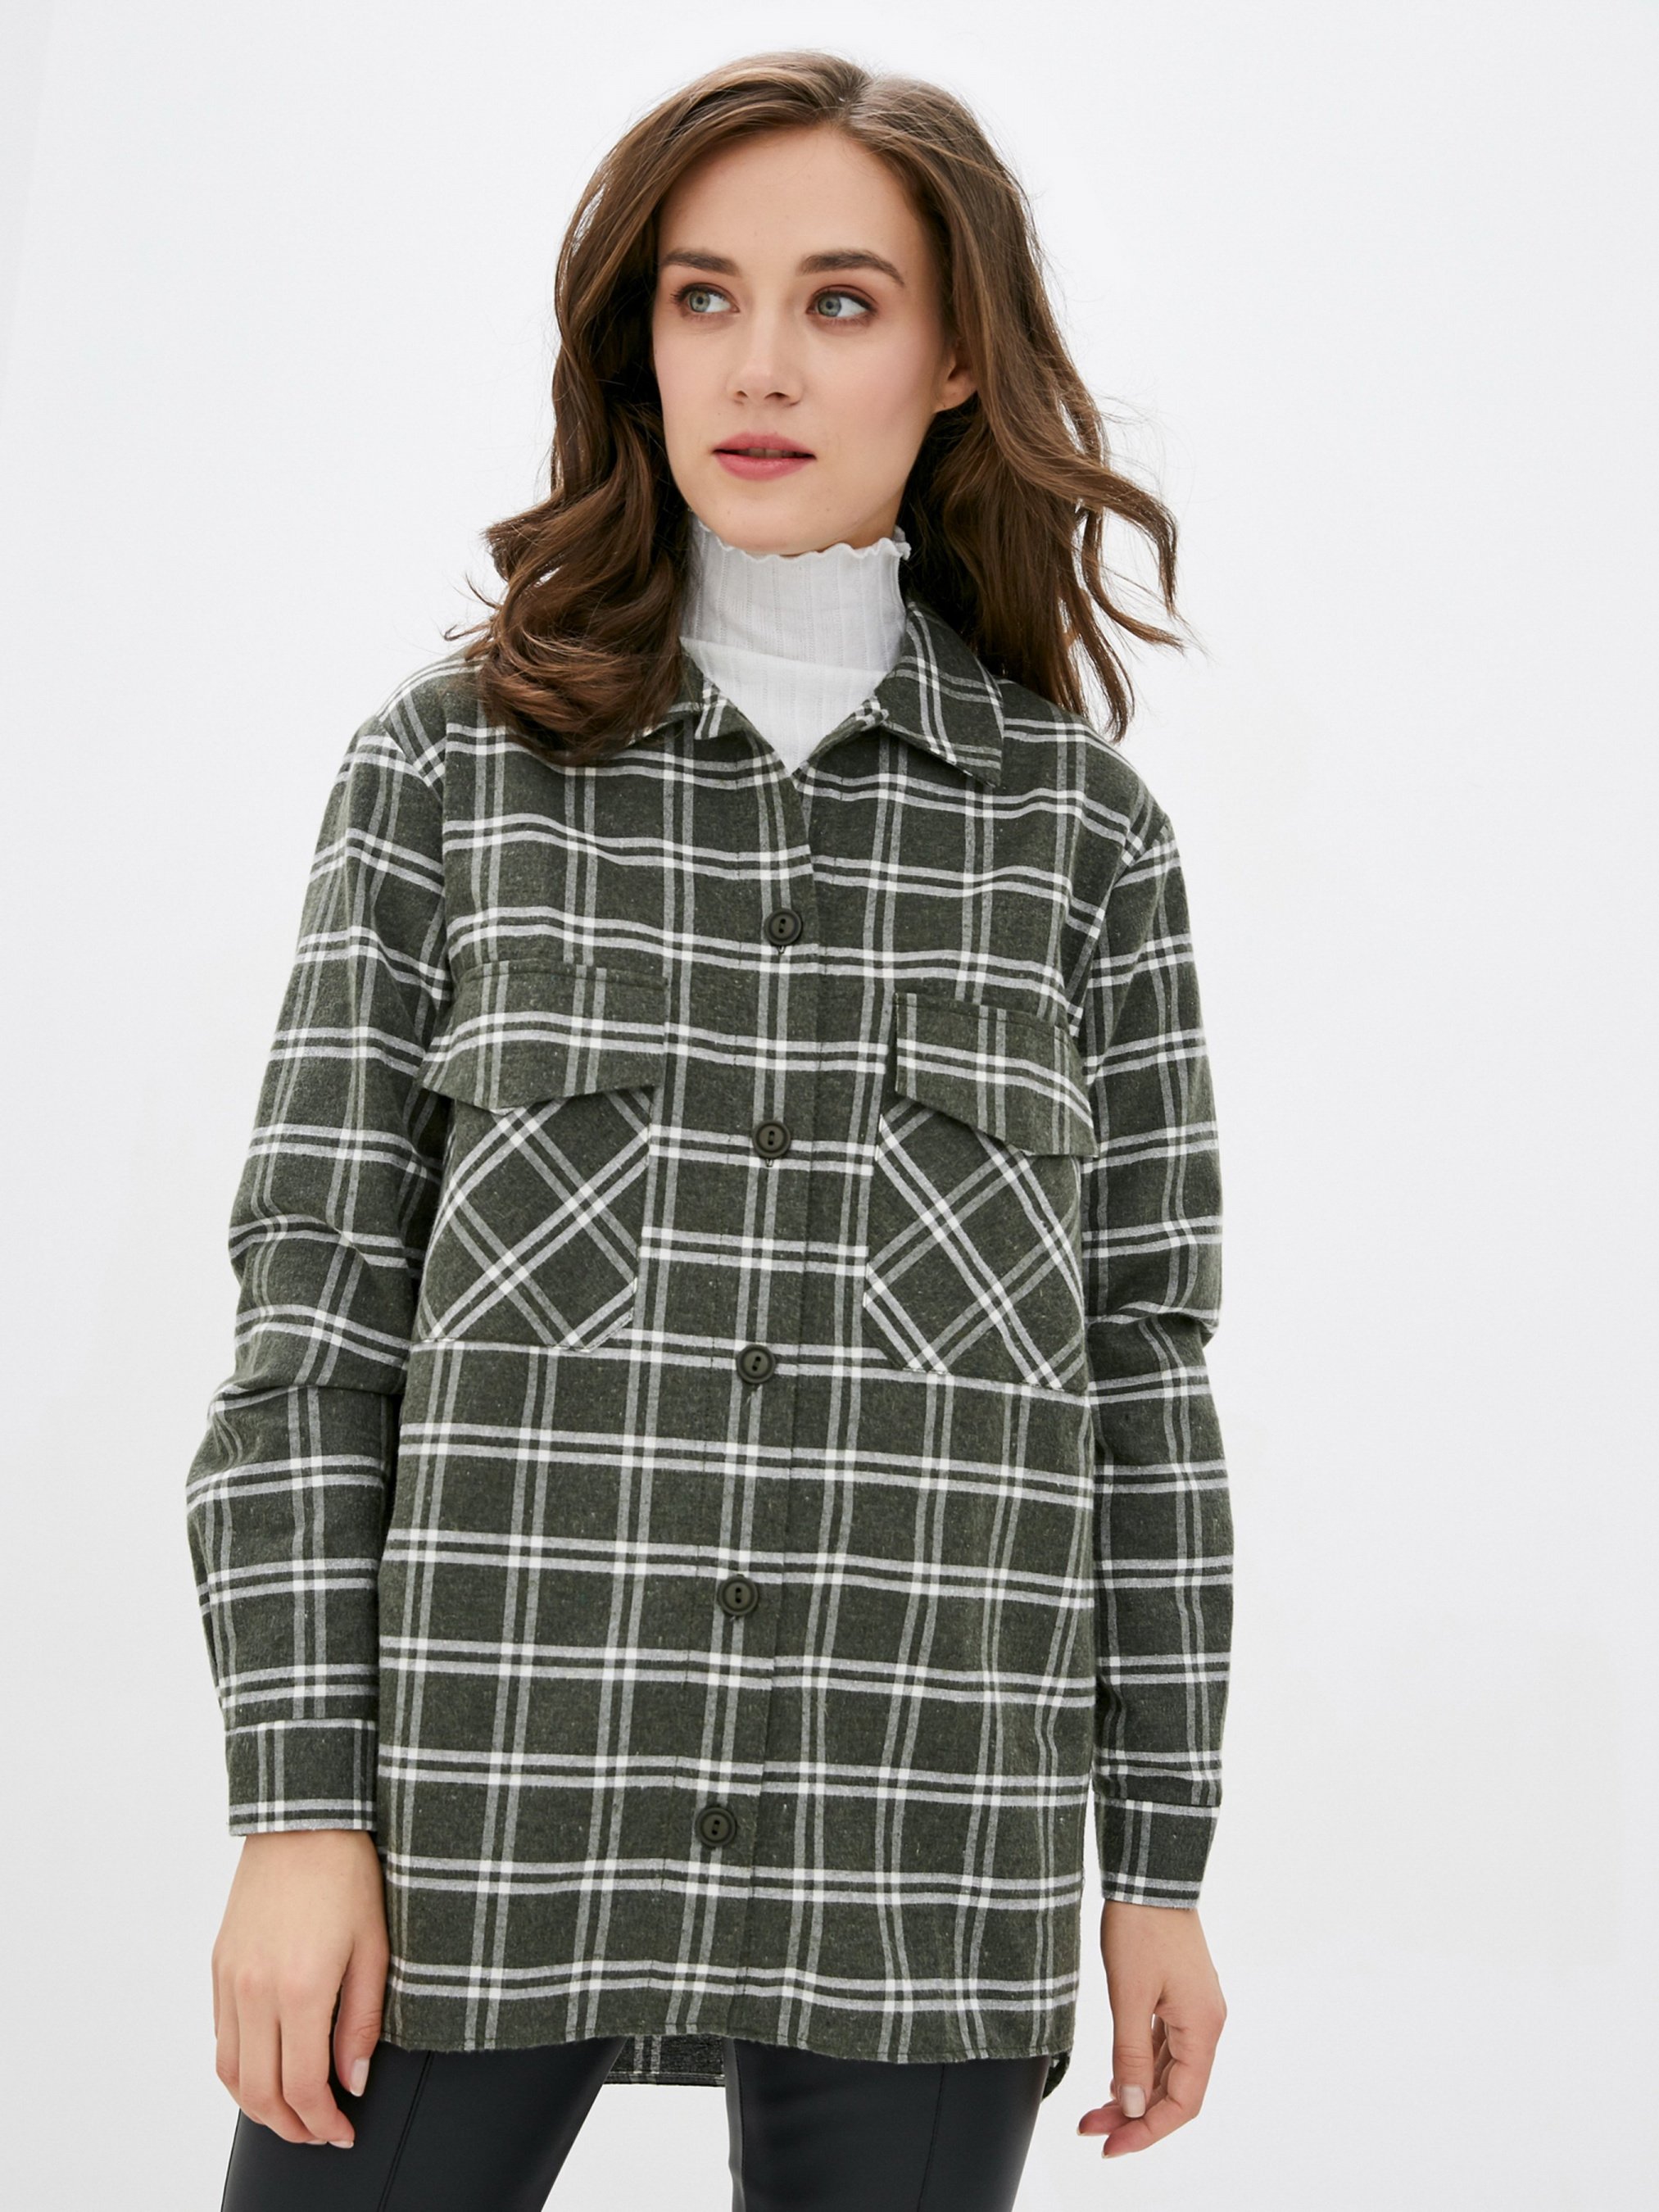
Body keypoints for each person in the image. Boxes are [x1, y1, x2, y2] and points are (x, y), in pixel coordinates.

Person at [187, 48, 1233, 2212]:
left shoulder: (1080, 841)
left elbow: (1140, 1371)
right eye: (702, 296)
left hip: (923, 1837)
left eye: (842, 301)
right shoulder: (446, 776)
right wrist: (294, 1811)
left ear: (956, 358)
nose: (761, 364)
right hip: (482, 1811)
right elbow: (313, 1318)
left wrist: (1157, 1864)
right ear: (637, 342)